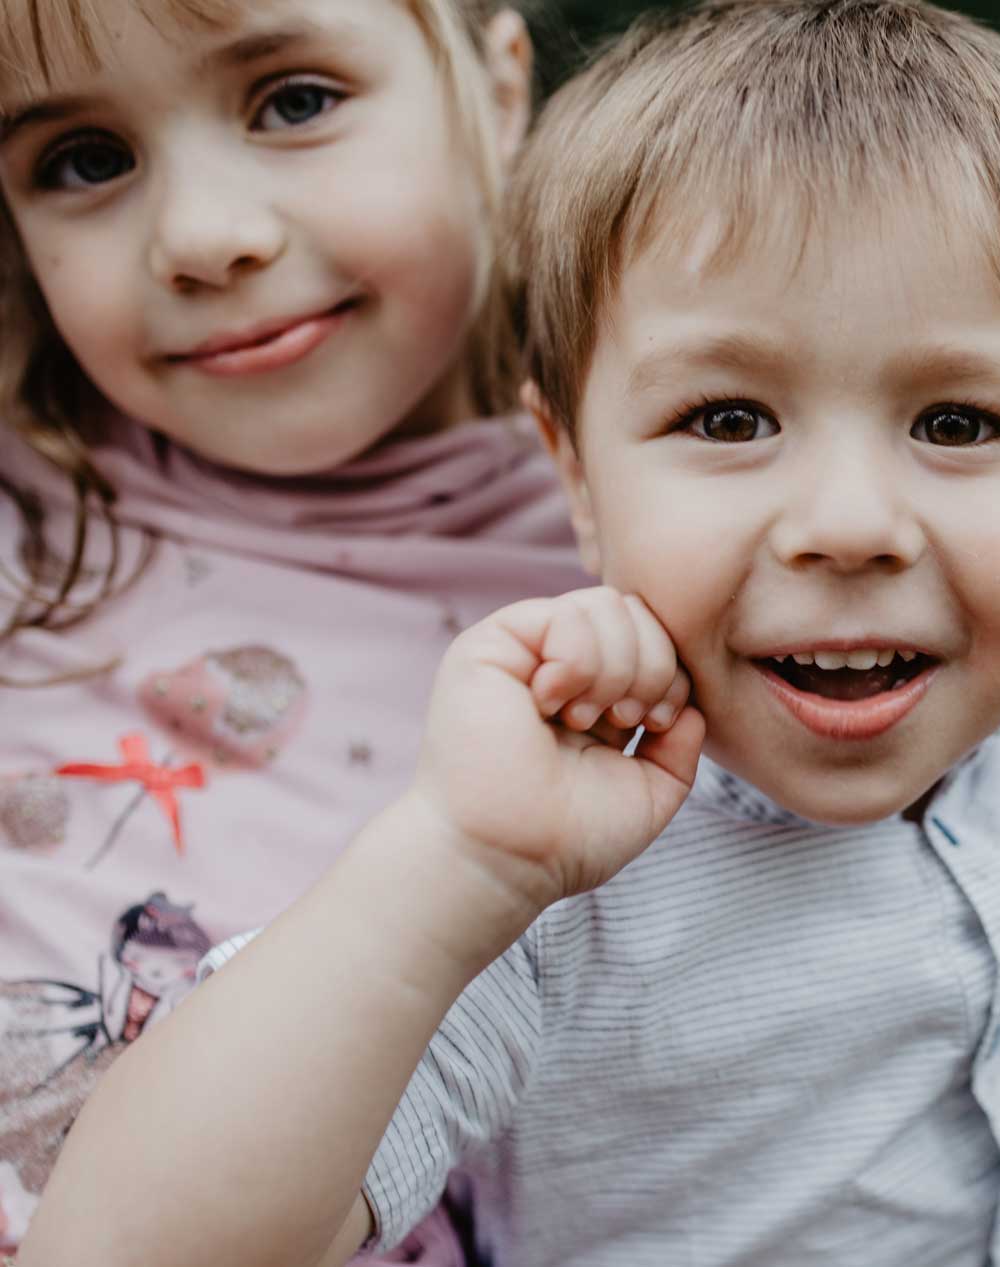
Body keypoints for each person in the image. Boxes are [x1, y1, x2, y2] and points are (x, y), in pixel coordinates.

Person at [15, 3, 1000, 1264]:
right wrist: (459, 863)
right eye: (729, 420)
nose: (851, 527)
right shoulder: (544, 869)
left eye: (958, 425)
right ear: (570, 472)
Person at [0, 0, 573, 1259]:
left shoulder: (657, 581)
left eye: (295, 101)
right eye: (83, 160)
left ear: (499, 87)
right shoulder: (26, 534)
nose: (205, 239)